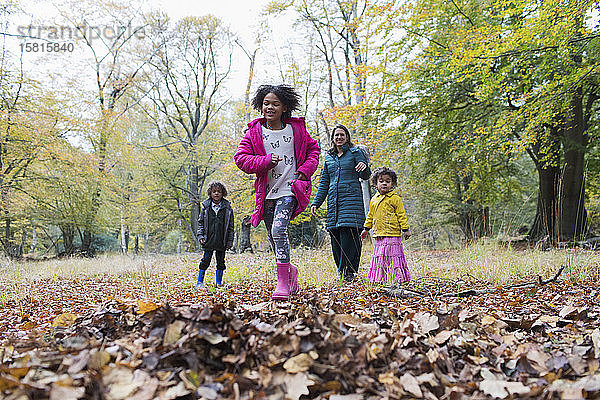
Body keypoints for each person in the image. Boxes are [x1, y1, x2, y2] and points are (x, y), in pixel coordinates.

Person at [234, 84, 320, 300]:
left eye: (275, 104)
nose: (269, 108)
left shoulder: (296, 129)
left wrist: (303, 172)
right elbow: (240, 158)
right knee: (274, 237)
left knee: (279, 229)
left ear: (284, 108)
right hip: (267, 193)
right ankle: (290, 272)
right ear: (260, 106)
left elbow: (313, 150)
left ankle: (281, 281)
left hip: (290, 189)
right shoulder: (254, 132)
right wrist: (264, 162)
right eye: (266, 103)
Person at [311, 124, 371, 281]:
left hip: (351, 201)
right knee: (335, 237)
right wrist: (316, 202)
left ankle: (348, 273)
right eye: (336, 135)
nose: (339, 137)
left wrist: (364, 166)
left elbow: (366, 175)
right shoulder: (329, 158)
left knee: (349, 236)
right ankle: (342, 272)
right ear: (332, 138)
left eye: (342, 135)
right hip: (334, 203)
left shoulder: (355, 152)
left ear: (347, 137)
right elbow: (324, 181)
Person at [360, 167, 411, 284]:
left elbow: (401, 215)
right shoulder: (374, 200)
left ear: (392, 184)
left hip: (392, 233)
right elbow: (370, 216)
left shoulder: (395, 199)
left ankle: (397, 279)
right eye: (381, 181)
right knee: (380, 257)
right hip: (379, 234)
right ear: (375, 183)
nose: (384, 184)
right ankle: (380, 279)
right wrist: (366, 229)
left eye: (387, 181)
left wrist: (405, 229)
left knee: (393, 256)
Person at [196, 181, 235, 288]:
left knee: (221, 262)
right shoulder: (206, 207)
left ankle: (218, 282)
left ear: (223, 193)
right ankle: (200, 282)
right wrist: (200, 236)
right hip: (208, 239)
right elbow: (200, 223)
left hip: (221, 240)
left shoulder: (227, 208)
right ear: (210, 193)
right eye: (214, 191)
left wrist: (229, 241)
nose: (216, 193)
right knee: (205, 261)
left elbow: (231, 227)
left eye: (219, 191)